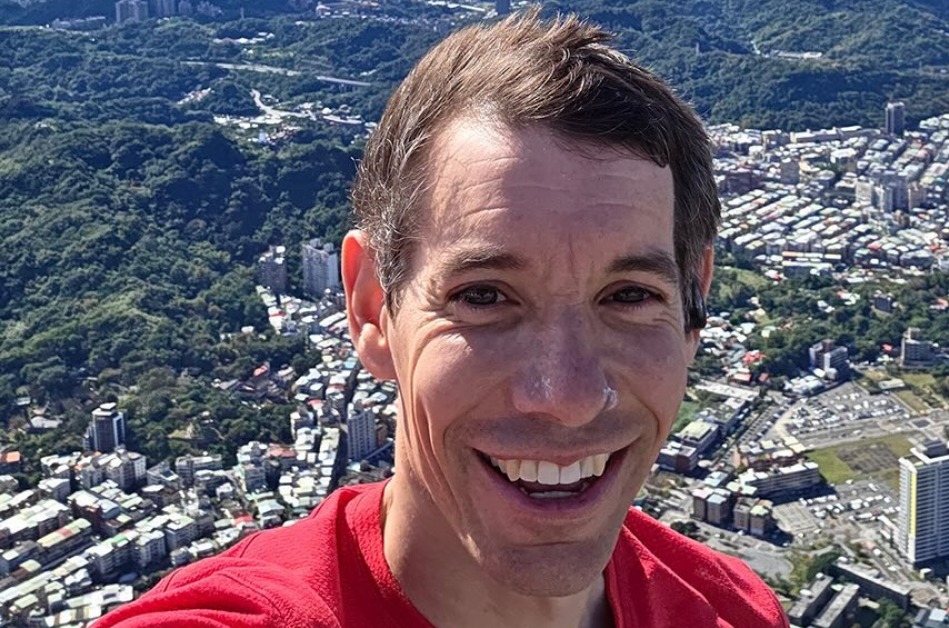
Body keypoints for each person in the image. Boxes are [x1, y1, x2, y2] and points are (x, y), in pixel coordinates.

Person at [96, 10, 786, 628]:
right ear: (373, 308)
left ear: (693, 308)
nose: (568, 397)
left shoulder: (733, 608)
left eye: (630, 296)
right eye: (483, 297)